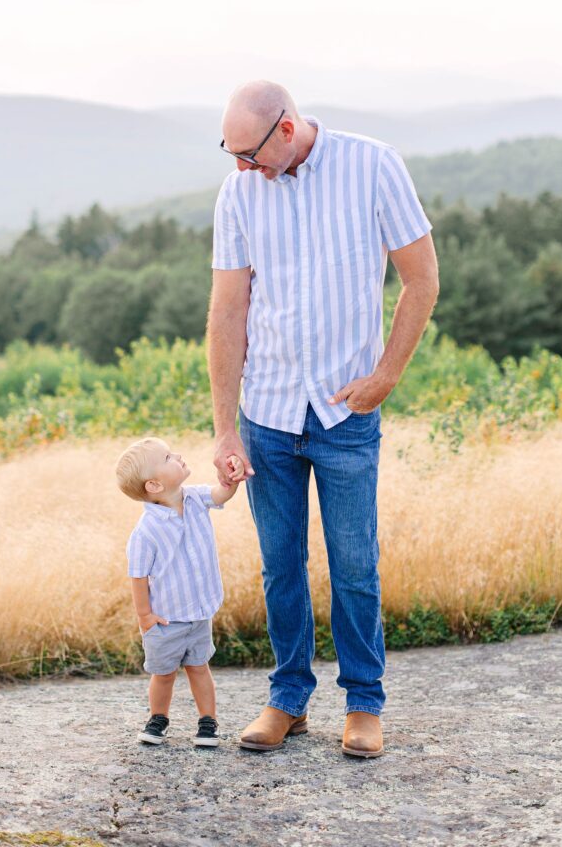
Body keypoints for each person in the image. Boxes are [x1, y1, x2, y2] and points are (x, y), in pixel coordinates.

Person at [207, 80, 439, 756]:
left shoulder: (373, 164)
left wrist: (386, 375)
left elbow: (420, 279)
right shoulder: (238, 192)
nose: (240, 169)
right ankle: (287, 700)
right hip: (268, 413)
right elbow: (227, 312)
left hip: (344, 414)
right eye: (230, 153)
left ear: (285, 129)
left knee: (353, 565)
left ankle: (363, 703)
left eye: (248, 153)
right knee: (279, 568)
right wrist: (226, 428)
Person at [115, 435, 243, 748]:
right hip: (166, 619)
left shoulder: (196, 498)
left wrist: (231, 475)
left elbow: (222, 493)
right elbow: (138, 576)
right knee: (164, 673)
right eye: (169, 458)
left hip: (199, 613)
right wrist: (144, 615)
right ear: (155, 485)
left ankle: (208, 722)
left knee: (200, 668)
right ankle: (158, 718)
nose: (178, 456)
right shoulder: (146, 532)